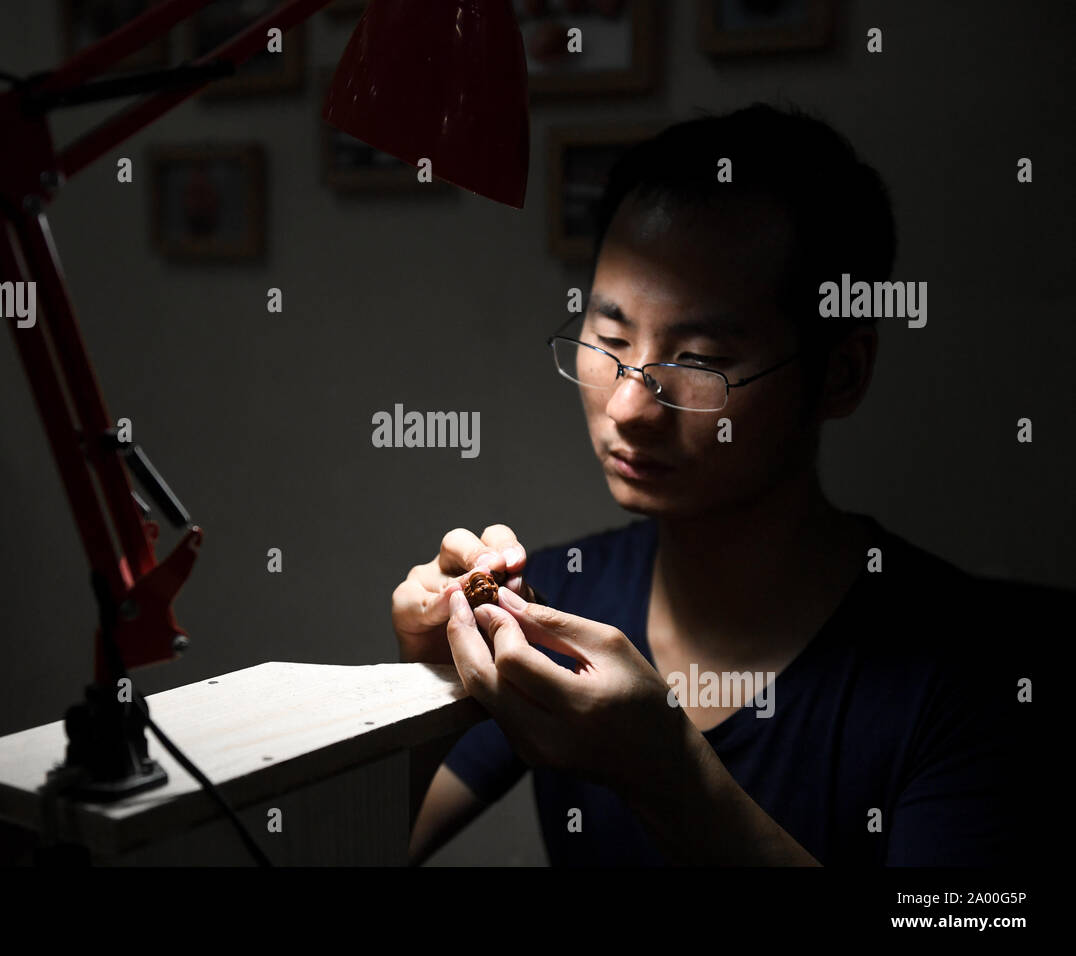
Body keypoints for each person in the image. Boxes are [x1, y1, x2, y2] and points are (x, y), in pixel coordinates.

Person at [391, 103, 1048, 866]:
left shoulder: (972, 675)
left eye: (698, 361)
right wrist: (424, 690)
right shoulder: (560, 601)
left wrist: (668, 773)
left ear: (840, 374)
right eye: (609, 341)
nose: (629, 406)